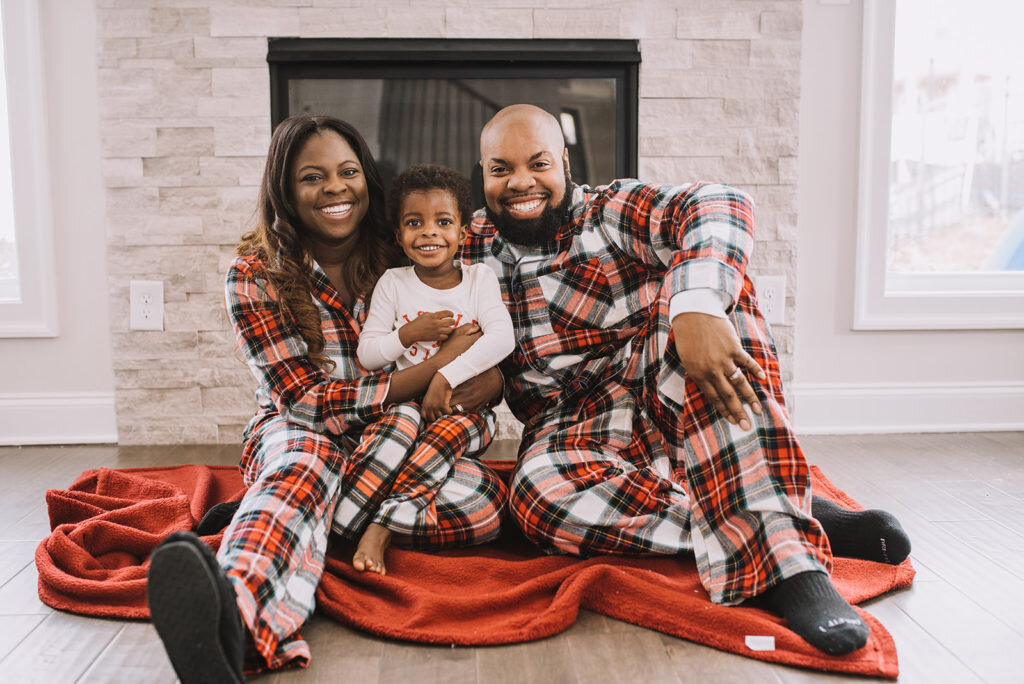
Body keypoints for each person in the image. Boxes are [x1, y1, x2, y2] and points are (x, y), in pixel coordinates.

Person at [461, 104, 912, 656]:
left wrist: (697, 305)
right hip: (574, 424)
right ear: (481, 173)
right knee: (537, 500)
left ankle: (790, 571)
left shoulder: (608, 211)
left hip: (663, 385)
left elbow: (720, 201)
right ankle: (781, 508)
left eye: (538, 164)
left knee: (725, 302)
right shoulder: (467, 247)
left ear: (566, 163)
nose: (521, 182)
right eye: (500, 169)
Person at [145, 115, 507, 683]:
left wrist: (492, 380)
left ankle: (297, 521)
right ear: (285, 191)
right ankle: (232, 617)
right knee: (304, 467)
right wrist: (438, 367)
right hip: (300, 426)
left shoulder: (406, 246)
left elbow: (485, 334)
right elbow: (307, 402)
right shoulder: (255, 275)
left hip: (396, 433)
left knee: (482, 499)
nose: (335, 188)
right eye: (313, 177)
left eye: (348, 172)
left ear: (368, 179)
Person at [354, 163, 514, 573]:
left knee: (444, 434)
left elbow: (502, 339)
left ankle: (379, 527)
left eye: (443, 222)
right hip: (406, 407)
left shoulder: (479, 279)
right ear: (399, 237)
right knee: (395, 429)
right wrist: (408, 334)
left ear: (462, 234)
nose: (429, 232)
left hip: (467, 412)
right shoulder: (393, 282)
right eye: (414, 223)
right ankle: (379, 511)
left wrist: (446, 377)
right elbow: (368, 355)